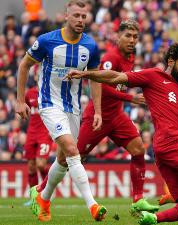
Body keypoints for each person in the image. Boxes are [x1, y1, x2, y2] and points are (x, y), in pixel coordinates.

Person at [65, 42, 178, 225]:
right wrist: (85, 74)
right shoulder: (154, 76)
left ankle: (153, 219)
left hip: (166, 152)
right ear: (171, 61)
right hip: (171, 141)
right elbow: (116, 77)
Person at [35, 19, 159, 213]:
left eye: (135, 37)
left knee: (137, 149)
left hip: (117, 116)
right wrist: (131, 98)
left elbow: (124, 82)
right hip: (97, 117)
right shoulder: (111, 57)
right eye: (128, 36)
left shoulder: (131, 56)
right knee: (69, 157)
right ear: (118, 36)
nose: (132, 40)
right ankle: (41, 190)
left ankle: (137, 200)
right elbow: (101, 84)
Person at [15, 0, 106, 222]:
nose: (80, 20)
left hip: (73, 107)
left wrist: (98, 111)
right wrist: (20, 100)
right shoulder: (47, 41)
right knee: (72, 149)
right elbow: (24, 65)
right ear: (66, 16)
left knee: (64, 159)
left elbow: (95, 78)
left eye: (84, 17)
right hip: (48, 103)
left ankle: (43, 198)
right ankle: (93, 205)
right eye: (76, 15)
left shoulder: (91, 46)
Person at [24, 75, 53, 192]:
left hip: (44, 133)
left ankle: (46, 191)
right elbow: (25, 107)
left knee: (41, 164)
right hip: (31, 133)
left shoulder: (51, 92)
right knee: (31, 167)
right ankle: (33, 197)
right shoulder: (30, 93)